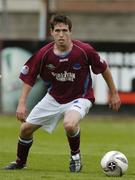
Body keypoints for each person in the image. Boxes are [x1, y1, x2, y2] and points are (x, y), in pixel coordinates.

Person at [4, 14, 121, 172]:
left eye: (65, 30)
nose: (61, 34)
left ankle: (75, 157)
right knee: (25, 129)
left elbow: (104, 69)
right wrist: (22, 102)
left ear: (70, 32)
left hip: (80, 98)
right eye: (57, 30)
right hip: (54, 99)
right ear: (51, 32)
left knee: (69, 124)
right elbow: (29, 77)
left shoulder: (84, 51)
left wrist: (114, 93)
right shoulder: (44, 54)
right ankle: (20, 162)